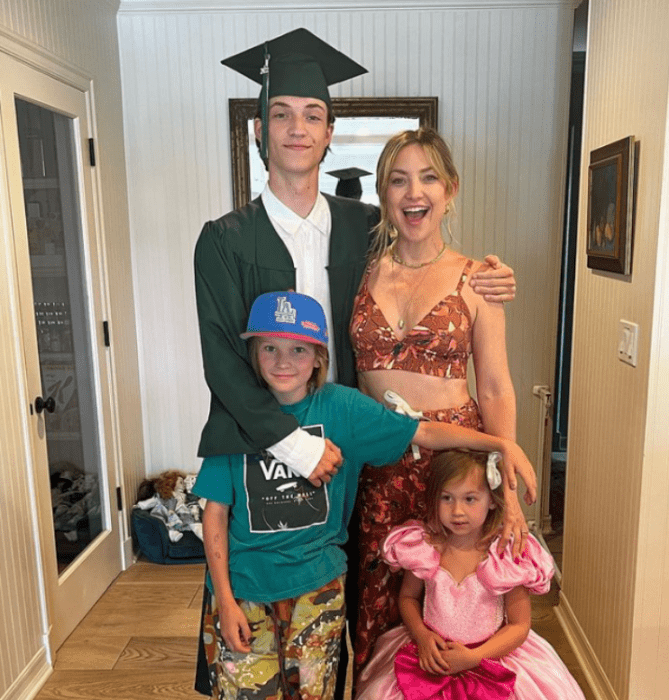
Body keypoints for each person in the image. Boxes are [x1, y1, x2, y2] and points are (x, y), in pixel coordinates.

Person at [194, 291, 537, 700]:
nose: (283, 361)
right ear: (254, 353)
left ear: (319, 357)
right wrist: (225, 600)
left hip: (316, 589)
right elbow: (214, 514)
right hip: (245, 590)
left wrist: (499, 445)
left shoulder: (342, 409)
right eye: (269, 347)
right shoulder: (237, 414)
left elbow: (422, 431)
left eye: (298, 349)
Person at [349, 126, 533, 676]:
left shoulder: (479, 279)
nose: (414, 194)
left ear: (450, 189)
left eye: (428, 177)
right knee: (381, 601)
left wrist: (510, 491)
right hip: (377, 466)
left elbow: (496, 387)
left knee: (461, 606)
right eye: (398, 180)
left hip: (456, 470)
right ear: (382, 193)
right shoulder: (357, 271)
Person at [355, 451, 587, 700]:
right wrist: (422, 636)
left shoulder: (505, 555)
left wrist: (475, 656)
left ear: (492, 500)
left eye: (469, 499)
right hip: (433, 655)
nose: (457, 511)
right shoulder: (424, 547)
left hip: (491, 656)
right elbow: (408, 598)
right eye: (447, 498)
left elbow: (520, 626)